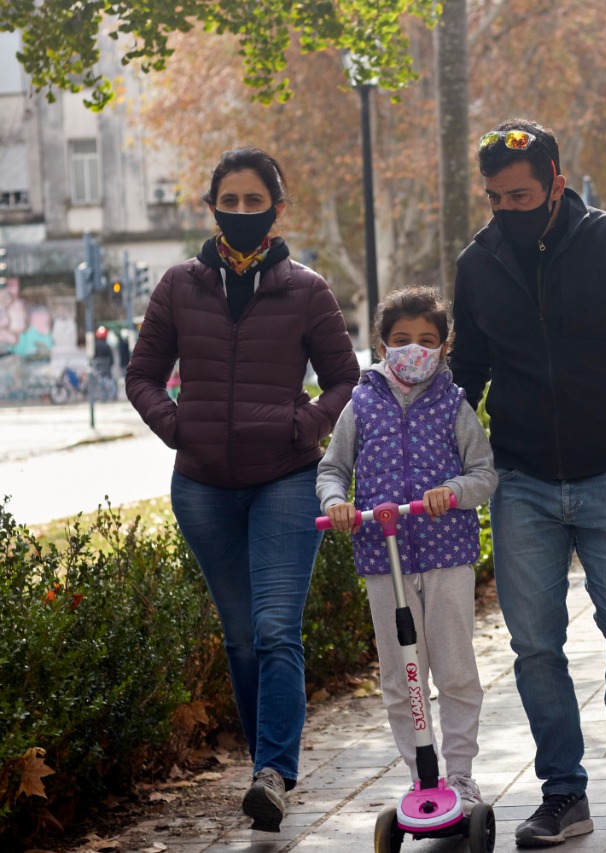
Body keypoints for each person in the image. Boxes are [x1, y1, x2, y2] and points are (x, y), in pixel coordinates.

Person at [451, 119, 606, 848]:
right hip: (521, 480)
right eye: (493, 198)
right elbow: (468, 373)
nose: (506, 210)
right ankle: (564, 792)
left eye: (520, 195)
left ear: (557, 181)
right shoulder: (480, 261)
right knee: (534, 645)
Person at [125, 147, 359, 831]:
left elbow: (344, 380)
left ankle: (273, 772)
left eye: (256, 202)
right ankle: (268, 772)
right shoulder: (177, 286)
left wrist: (304, 423)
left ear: (277, 209)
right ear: (211, 205)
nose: (242, 213)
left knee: (275, 628)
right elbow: (142, 373)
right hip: (202, 486)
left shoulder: (307, 290)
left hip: (285, 479)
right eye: (230, 200)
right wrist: (179, 428)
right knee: (240, 638)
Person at [317, 286, 496, 813]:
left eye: (426, 340)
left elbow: (484, 474)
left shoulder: (454, 404)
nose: (413, 349)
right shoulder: (361, 402)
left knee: (454, 668)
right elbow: (333, 469)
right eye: (401, 340)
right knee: (400, 676)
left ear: (444, 346)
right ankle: (422, 775)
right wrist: (339, 503)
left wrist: (455, 492)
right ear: (381, 344)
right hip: (382, 557)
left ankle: (460, 775)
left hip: (446, 556)